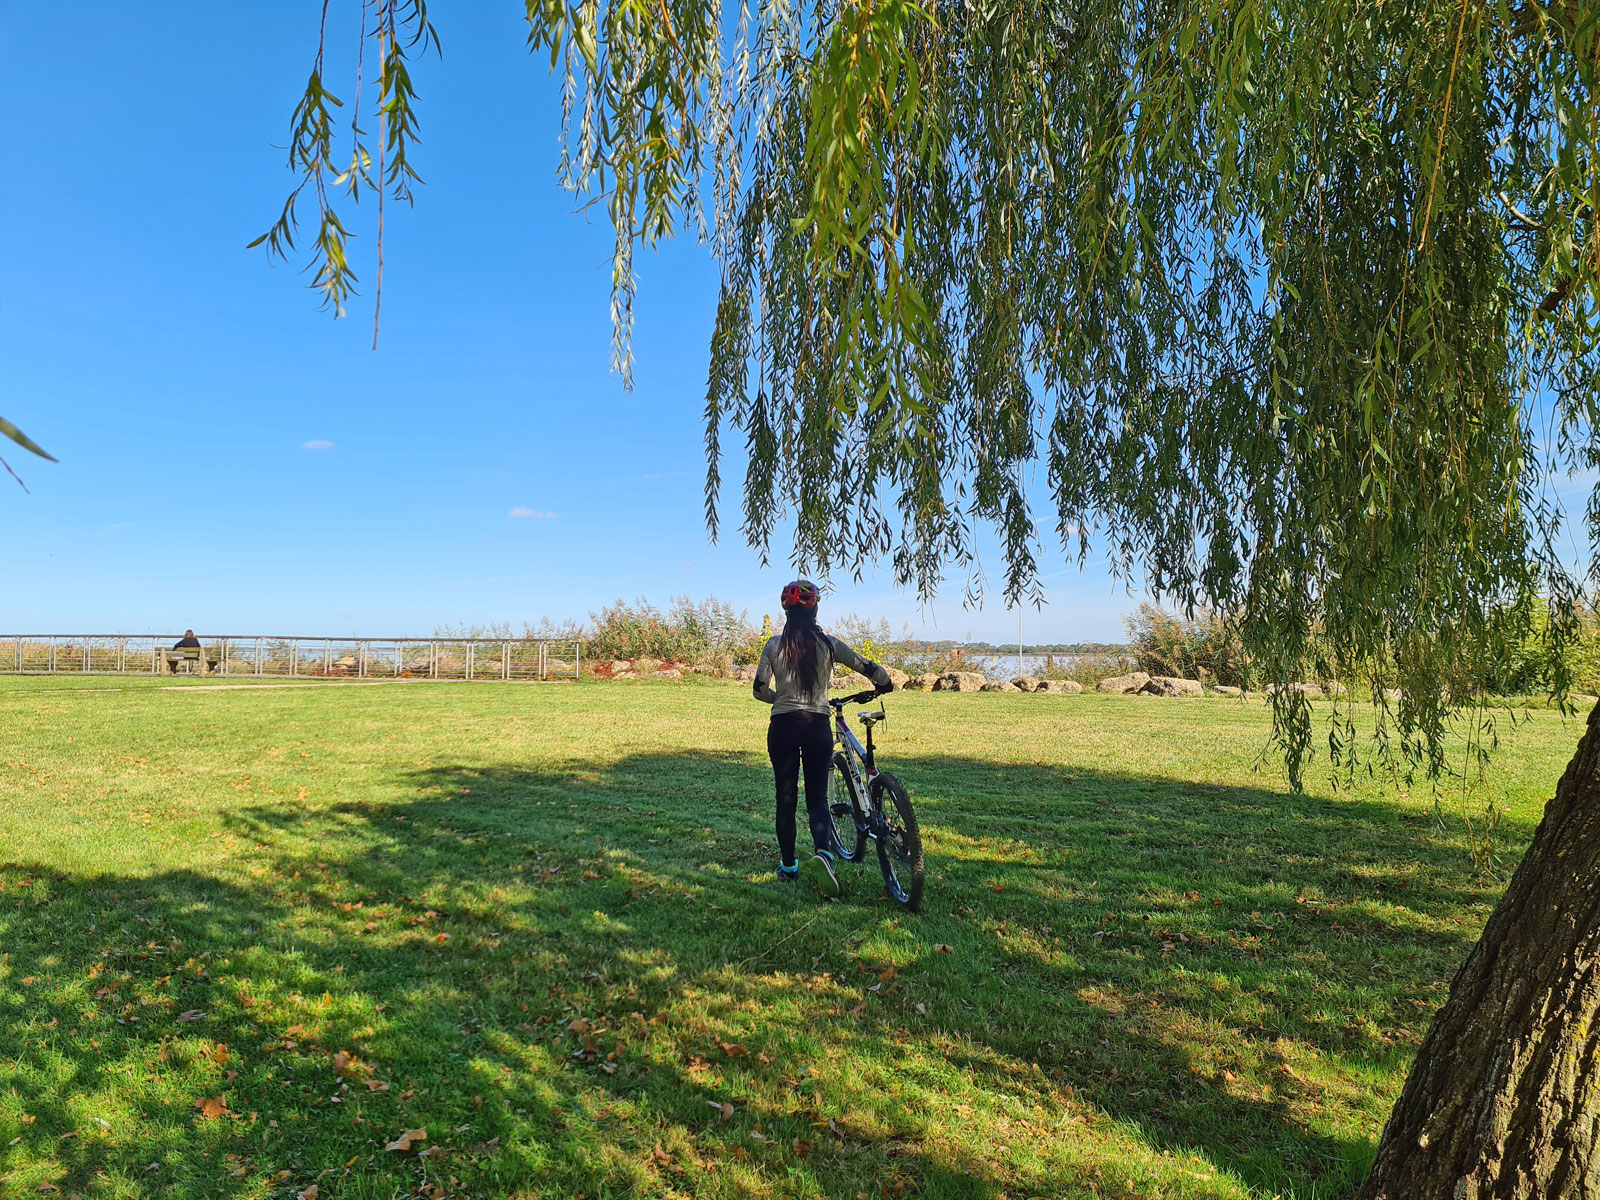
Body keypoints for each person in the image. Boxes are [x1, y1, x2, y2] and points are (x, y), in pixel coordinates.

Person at [753, 580, 893, 896]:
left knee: (785, 797)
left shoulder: (773, 646)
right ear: (815, 608)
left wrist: (779, 699)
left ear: (786, 611)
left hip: (783, 727)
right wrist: (885, 684)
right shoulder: (829, 645)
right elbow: (868, 668)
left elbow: (759, 689)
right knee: (817, 796)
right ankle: (824, 854)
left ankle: (788, 867)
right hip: (816, 725)